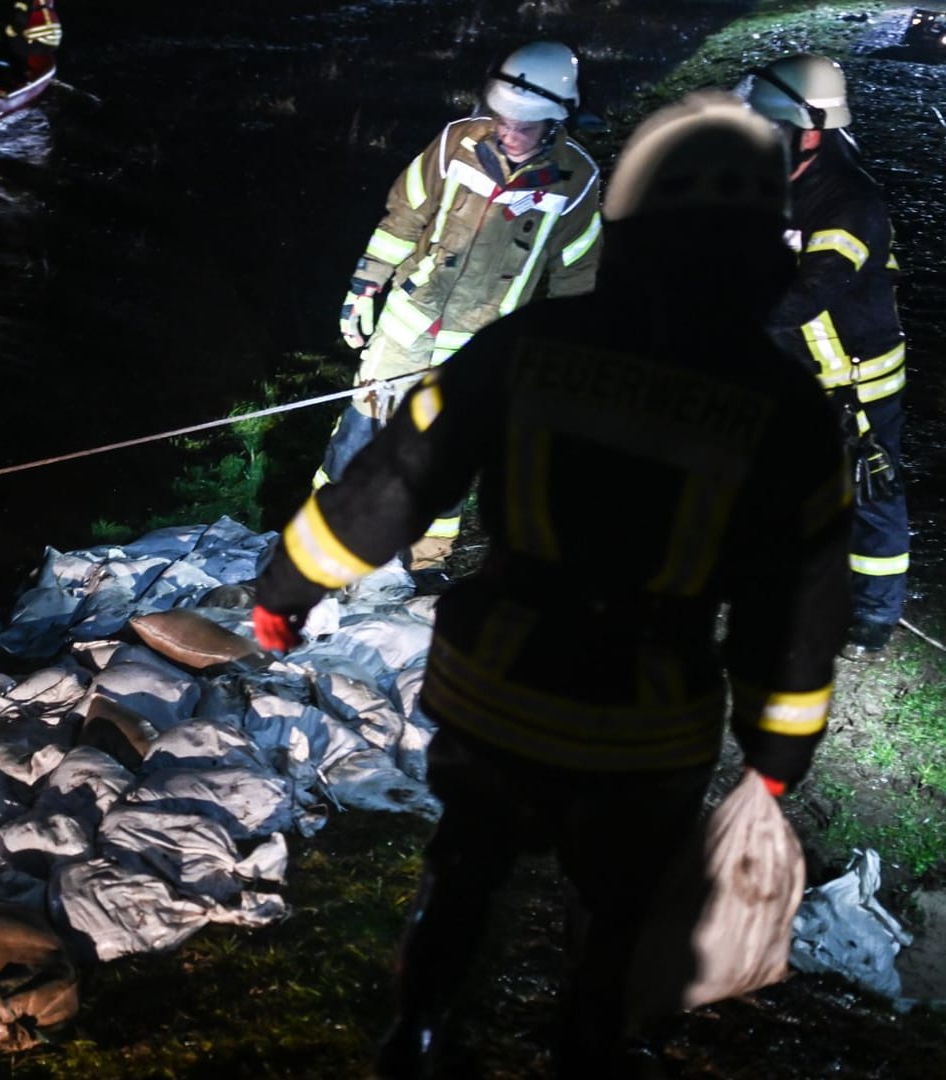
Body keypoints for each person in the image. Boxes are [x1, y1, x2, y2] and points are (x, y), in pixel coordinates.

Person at [251, 94, 850, 1076]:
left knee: (464, 869)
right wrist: (777, 751)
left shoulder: (527, 345)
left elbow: (396, 479)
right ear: (765, 241)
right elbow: (799, 610)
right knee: (614, 910)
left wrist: (286, 589)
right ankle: (587, 1050)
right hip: (647, 722)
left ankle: (418, 1034)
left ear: (624, 216)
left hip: (497, 684)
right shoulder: (787, 412)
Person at [325, 41, 603, 581]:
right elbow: (403, 218)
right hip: (405, 328)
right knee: (359, 434)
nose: (508, 131)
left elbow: (576, 277)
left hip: (483, 346)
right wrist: (364, 287)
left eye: (524, 124)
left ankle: (427, 563)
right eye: (502, 117)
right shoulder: (455, 142)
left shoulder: (577, 180)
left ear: (556, 118)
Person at [743, 53, 910, 662]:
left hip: (856, 379)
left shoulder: (848, 201)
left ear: (809, 129)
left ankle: (873, 612)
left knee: (872, 489)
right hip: (793, 369)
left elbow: (810, 290)